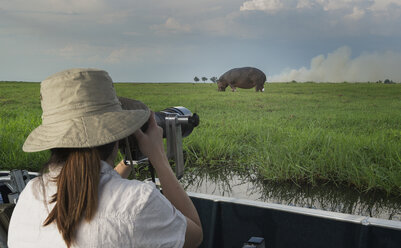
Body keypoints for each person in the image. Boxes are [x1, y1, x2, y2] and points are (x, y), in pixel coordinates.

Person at [7, 68, 203, 247]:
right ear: (117, 133)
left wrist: (129, 160)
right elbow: (194, 235)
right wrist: (159, 158)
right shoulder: (138, 202)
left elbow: (88, 178)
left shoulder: (31, 194)